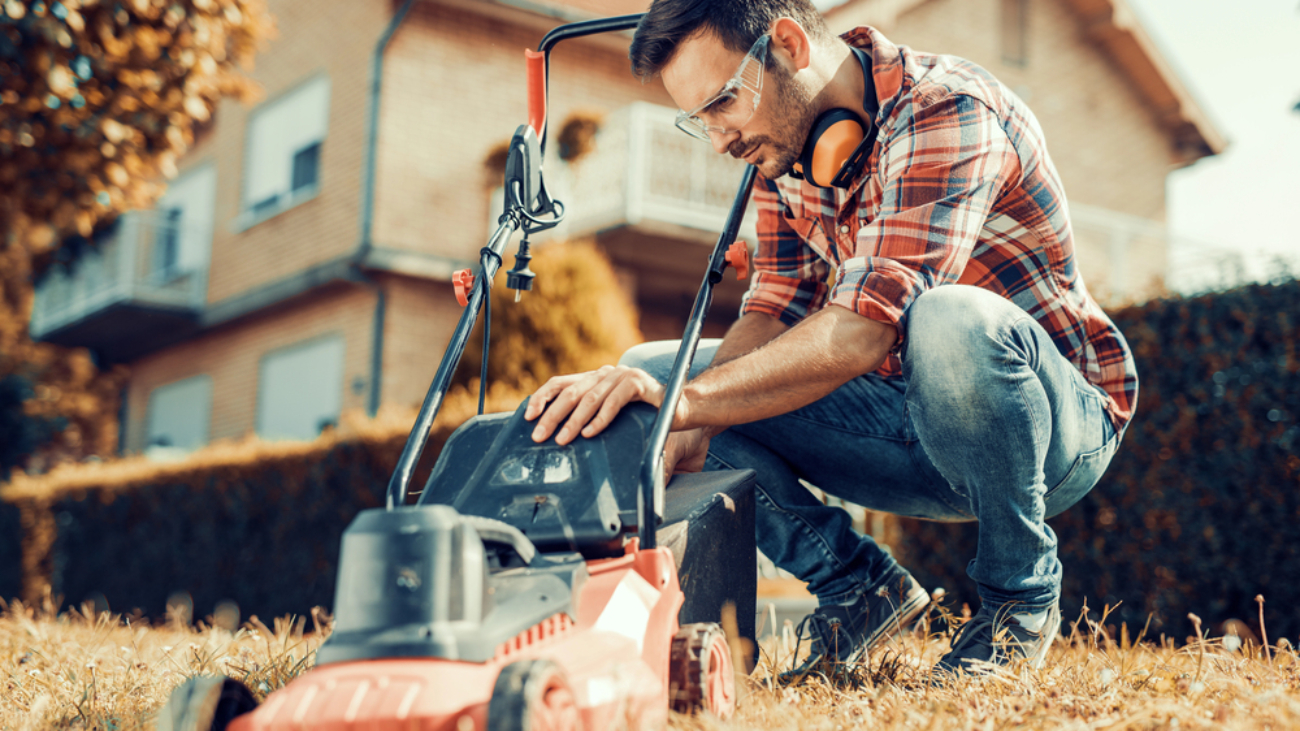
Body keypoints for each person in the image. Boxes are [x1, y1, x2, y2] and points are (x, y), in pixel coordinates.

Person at [524, 0, 1136, 678]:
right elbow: (775, 306)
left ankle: (1016, 602)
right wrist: (686, 413)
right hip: (896, 423)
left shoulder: (948, 109)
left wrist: (689, 404)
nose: (721, 139)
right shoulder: (782, 155)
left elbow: (864, 329)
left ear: (788, 44)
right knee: (656, 374)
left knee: (949, 317)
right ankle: (857, 588)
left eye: (724, 102)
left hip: (1053, 431)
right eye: (700, 120)